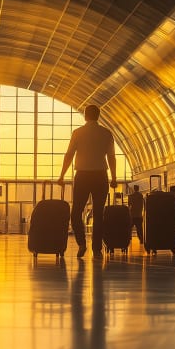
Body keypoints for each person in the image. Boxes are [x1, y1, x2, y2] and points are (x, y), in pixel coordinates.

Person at [57, 104, 118, 259]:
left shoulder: (78, 133)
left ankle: (82, 244)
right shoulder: (106, 133)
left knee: (76, 212)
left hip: (82, 176)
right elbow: (111, 156)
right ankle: (97, 249)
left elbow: (69, 155)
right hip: (100, 176)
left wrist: (62, 176)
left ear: (85, 116)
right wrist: (114, 178)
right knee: (98, 213)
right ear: (98, 116)